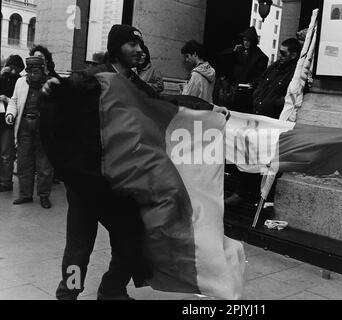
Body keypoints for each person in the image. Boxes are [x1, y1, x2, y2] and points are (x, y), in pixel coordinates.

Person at [40, 24, 229, 300]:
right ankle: (68, 292)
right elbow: (66, 92)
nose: (139, 50)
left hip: (119, 183)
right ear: (117, 48)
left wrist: (208, 109)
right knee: (79, 249)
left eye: (141, 45)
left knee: (131, 241)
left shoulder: (135, 85)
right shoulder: (93, 77)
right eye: (132, 45)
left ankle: (112, 289)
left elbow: (165, 105)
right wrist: (55, 85)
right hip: (86, 182)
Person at [225, 38, 302, 207]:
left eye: (283, 53)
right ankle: (243, 191)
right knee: (251, 152)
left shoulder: (295, 72)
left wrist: (275, 103)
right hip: (259, 116)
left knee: (264, 157)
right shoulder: (275, 67)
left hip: (272, 120)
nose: (280, 56)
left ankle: (249, 193)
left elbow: (293, 96)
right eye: (279, 52)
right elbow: (261, 80)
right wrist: (254, 92)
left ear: (293, 55)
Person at [5, 57, 54, 209]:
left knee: (44, 166)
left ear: (43, 70)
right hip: (25, 126)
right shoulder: (20, 82)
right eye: (30, 72)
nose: (33, 75)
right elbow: (13, 100)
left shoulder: (50, 84)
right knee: (24, 163)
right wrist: (10, 114)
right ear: (26, 71)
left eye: (36, 72)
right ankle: (25, 194)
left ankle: (44, 195)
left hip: (44, 128)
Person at [216, 26, 269, 113]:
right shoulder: (240, 51)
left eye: (248, 40)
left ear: (253, 41)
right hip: (233, 90)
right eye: (244, 40)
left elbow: (260, 76)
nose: (246, 43)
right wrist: (233, 51)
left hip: (246, 93)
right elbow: (222, 58)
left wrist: (251, 84)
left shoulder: (260, 57)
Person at [0, 55, 25, 192]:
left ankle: (5, 182)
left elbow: (19, 102)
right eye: (12, 67)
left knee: (6, 154)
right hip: (1, 119)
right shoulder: (2, 77)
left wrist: (6, 99)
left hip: (8, 122)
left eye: (17, 68)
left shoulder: (20, 81)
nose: (14, 70)